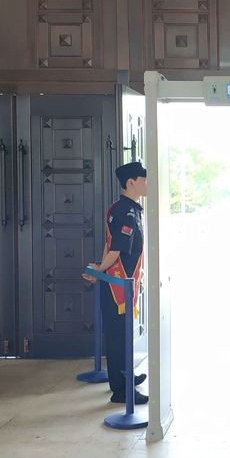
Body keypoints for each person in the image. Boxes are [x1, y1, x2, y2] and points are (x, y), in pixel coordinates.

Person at [84, 161, 148, 405]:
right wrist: (100, 270)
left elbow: (110, 244)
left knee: (123, 334)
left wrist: (101, 267)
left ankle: (126, 376)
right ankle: (121, 390)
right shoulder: (125, 211)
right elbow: (116, 249)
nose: (148, 184)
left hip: (122, 282)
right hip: (116, 285)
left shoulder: (127, 208)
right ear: (131, 183)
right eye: (144, 180)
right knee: (118, 337)